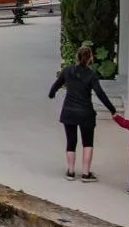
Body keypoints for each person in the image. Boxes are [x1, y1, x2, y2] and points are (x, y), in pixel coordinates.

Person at [49, 46, 117, 182]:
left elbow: (56, 85)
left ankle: (71, 171)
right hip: (86, 113)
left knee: (71, 141)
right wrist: (112, 109)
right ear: (90, 58)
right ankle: (86, 173)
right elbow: (100, 93)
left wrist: (52, 93)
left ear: (77, 57)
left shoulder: (68, 71)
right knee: (87, 142)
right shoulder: (91, 75)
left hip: (69, 112)